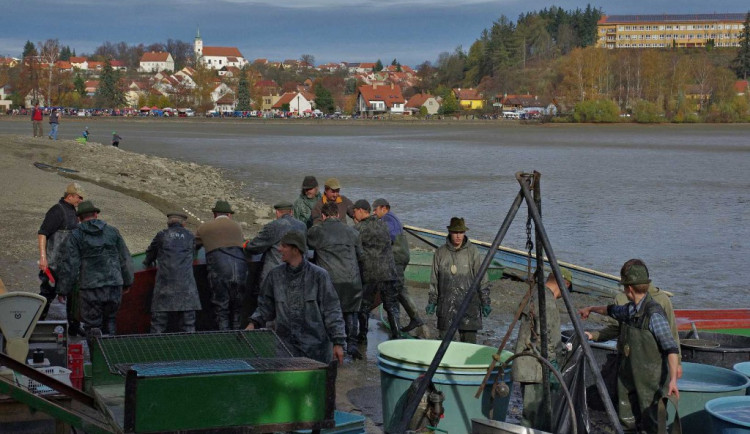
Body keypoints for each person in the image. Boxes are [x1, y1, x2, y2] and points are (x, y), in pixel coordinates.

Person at [579, 262, 680, 433]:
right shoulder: (631, 310)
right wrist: (591, 308)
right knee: (627, 422)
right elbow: (611, 310)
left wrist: (673, 380)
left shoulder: (654, 314)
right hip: (629, 377)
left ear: (629, 289)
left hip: (650, 382)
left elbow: (671, 348)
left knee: (652, 424)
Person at [247, 231, 346, 365]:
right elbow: (266, 305)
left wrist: (338, 342)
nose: (279, 249)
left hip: (315, 350)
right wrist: (253, 323)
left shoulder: (319, 276)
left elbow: (332, 310)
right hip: (285, 349)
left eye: (284, 246)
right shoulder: (275, 275)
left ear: (295, 249)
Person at [56, 201, 134, 336]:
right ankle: (109, 353)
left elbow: (70, 265)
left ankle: (96, 355)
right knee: (110, 320)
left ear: (79, 218)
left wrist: (63, 290)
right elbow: (125, 259)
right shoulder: (112, 231)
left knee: (92, 326)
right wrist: (127, 281)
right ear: (96, 215)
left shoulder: (75, 236)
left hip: (90, 288)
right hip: (114, 285)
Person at [511, 268, 572, 431]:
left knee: (531, 414)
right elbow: (548, 338)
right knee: (533, 417)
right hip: (537, 367)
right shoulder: (548, 302)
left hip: (526, 363)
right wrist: (553, 365)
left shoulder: (534, 294)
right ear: (564, 284)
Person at [307, 202, 364, 359]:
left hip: (330, 280)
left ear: (323, 216)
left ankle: (331, 344)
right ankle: (352, 345)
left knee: (328, 313)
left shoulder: (317, 231)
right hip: (352, 280)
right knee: (351, 312)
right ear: (338, 215)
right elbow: (361, 256)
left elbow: (308, 247)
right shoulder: (352, 231)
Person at [426, 217, 490, 344]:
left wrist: (485, 301)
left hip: (469, 305)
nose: (458, 236)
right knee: (444, 345)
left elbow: (482, 278)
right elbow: (434, 280)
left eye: (461, 232)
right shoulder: (440, 253)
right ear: (450, 232)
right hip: (446, 305)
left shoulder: (473, 252)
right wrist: (432, 301)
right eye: (455, 232)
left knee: (469, 345)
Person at [143, 211, 202, 333]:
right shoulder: (190, 236)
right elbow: (193, 254)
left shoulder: (161, 235)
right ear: (184, 224)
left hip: (164, 287)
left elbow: (150, 254)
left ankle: (155, 349)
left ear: (168, 223)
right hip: (186, 288)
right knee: (188, 326)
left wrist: (148, 263)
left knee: (158, 326)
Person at [37, 182, 85, 334]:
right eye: (79, 197)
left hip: (69, 264)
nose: (81, 200)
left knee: (74, 295)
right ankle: (36, 324)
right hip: (54, 263)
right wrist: (43, 258)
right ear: (70, 196)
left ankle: (74, 328)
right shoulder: (56, 211)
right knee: (47, 294)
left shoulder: (73, 213)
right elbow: (42, 233)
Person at [372, 198, 424, 333]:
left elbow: (389, 235)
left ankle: (415, 318)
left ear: (384, 208)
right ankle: (411, 319)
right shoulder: (390, 218)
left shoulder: (388, 219)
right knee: (399, 289)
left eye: (375, 209)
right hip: (399, 258)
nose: (374, 212)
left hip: (397, 259)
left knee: (397, 290)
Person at [195, 200, 248, 330]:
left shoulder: (204, 227)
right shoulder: (237, 226)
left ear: (214, 214)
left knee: (221, 307)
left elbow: (194, 246)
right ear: (229, 215)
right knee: (237, 307)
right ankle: (238, 336)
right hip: (240, 268)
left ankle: (224, 336)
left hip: (219, 268)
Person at [353, 199, 401, 341]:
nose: (354, 215)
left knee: (364, 306)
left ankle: (362, 336)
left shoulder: (358, 229)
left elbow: (356, 250)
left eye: (355, 212)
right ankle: (397, 334)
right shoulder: (383, 224)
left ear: (361, 211)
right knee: (391, 306)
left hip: (370, 273)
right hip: (389, 272)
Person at [243, 201, 307, 282]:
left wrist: (247, 245)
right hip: (298, 272)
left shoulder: (275, 225)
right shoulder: (302, 226)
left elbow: (256, 246)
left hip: (276, 274)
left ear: (277, 212)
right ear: (291, 212)